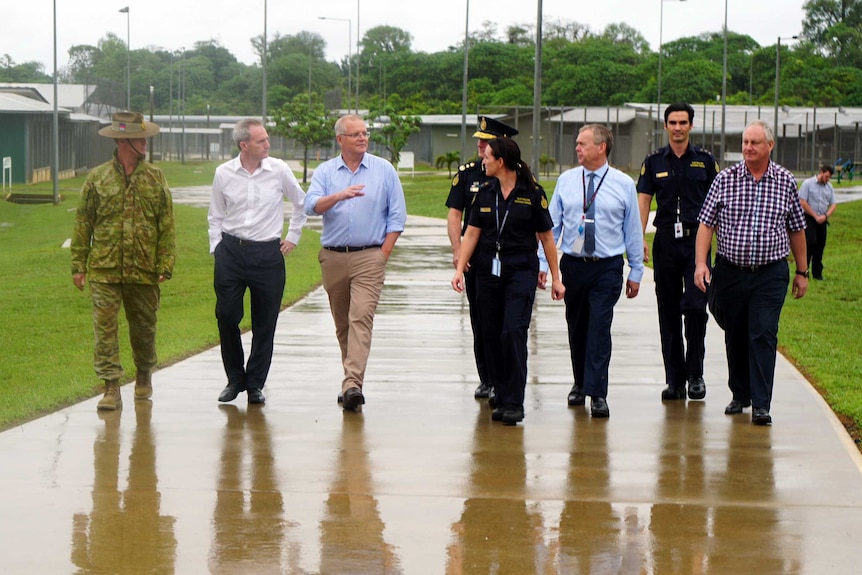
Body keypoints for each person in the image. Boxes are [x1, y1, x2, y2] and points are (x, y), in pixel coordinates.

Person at [694, 120, 808, 425]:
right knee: (736, 332)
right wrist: (701, 263)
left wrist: (802, 271)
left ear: (769, 146)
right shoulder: (726, 179)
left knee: (763, 333)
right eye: (745, 142)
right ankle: (740, 394)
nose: (747, 148)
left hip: (769, 273)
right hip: (730, 271)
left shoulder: (785, 181)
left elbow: (797, 229)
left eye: (754, 143)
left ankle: (761, 404)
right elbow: (706, 223)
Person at [452, 137, 564, 425]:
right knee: (490, 333)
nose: (483, 161)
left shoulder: (532, 193)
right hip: (488, 272)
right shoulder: (484, 192)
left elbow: (547, 239)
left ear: (501, 161)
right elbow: (472, 233)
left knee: (512, 332)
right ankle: (501, 396)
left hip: (520, 272)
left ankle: (514, 401)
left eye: (487, 156)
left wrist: (556, 277)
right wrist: (459, 269)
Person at [71, 111, 176, 411]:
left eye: (145, 137)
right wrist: (79, 265)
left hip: (143, 269)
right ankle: (111, 388)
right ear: (122, 141)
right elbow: (83, 224)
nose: (145, 143)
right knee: (104, 330)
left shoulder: (155, 178)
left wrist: (165, 264)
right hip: (104, 269)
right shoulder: (97, 178)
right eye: (139, 138)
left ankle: (144, 373)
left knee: (144, 329)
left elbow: (166, 224)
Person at [304, 114, 407, 412]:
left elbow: (397, 217)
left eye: (365, 133)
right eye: (355, 134)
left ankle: (352, 385)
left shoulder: (384, 170)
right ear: (340, 139)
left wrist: (382, 255)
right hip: (333, 257)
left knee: (360, 317)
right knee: (343, 325)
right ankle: (351, 378)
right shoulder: (325, 172)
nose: (363, 138)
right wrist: (338, 196)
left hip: (369, 257)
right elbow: (311, 205)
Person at [544, 124, 644, 419]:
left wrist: (636, 270)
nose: (577, 148)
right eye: (576, 143)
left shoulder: (623, 184)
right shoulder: (567, 180)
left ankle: (598, 392)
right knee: (577, 325)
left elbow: (633, 231)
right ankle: (579, 382)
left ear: (602, 147)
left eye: (583, 144)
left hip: (607, 267)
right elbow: (551, 227)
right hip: (574, 264)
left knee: (600, 326)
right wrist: (543, 264)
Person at [209, 118, 308, 405]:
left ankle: (255, 384)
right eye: (261, 140)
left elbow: (301, 205)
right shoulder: (224, 173)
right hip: (231, 252)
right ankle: (235, 378)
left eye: (267, 139)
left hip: (268, 254)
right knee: (226, 316)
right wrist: (217, 248)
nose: (268, 144)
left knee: (265, 322)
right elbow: (215, 215)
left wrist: (293, 237)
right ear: (244, 145)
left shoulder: (279, 170)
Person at [637, 102, 719, 402]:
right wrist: (639, 238)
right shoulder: (654, 161)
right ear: (665, 126)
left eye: (683, 122)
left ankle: (695, 373)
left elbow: (717, 205)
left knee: (696, 308)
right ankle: (675, 379)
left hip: (697, 242)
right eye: (672, 122)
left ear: (691, 126)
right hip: (666, 244)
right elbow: (644, 200)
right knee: (668, 310)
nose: (678, 127)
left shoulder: (706, 161)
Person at [445, 116, 519, 401]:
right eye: (479, 140)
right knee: (482, 320)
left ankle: (506, 378)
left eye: (486, 142)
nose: (480, 146)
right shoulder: (468, 173)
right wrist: (457, 252)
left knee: (508, 321)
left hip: (510, 258)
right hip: (477, 258)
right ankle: (487, 378)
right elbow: (455, 215)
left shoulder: (520, 174)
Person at [798, 165, 837, 281]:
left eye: (829, 177)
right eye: (826, 176)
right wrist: (815, 216)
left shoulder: (829, 187)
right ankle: (804, 271)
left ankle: (817, 273)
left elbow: (833, 204)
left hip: (822, 219)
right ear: (821, 172)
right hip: (809, 217)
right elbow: (802, 201)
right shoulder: (808, 184)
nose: (827, 179)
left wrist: (825, 216)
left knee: (820, 245)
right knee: (810, 243)